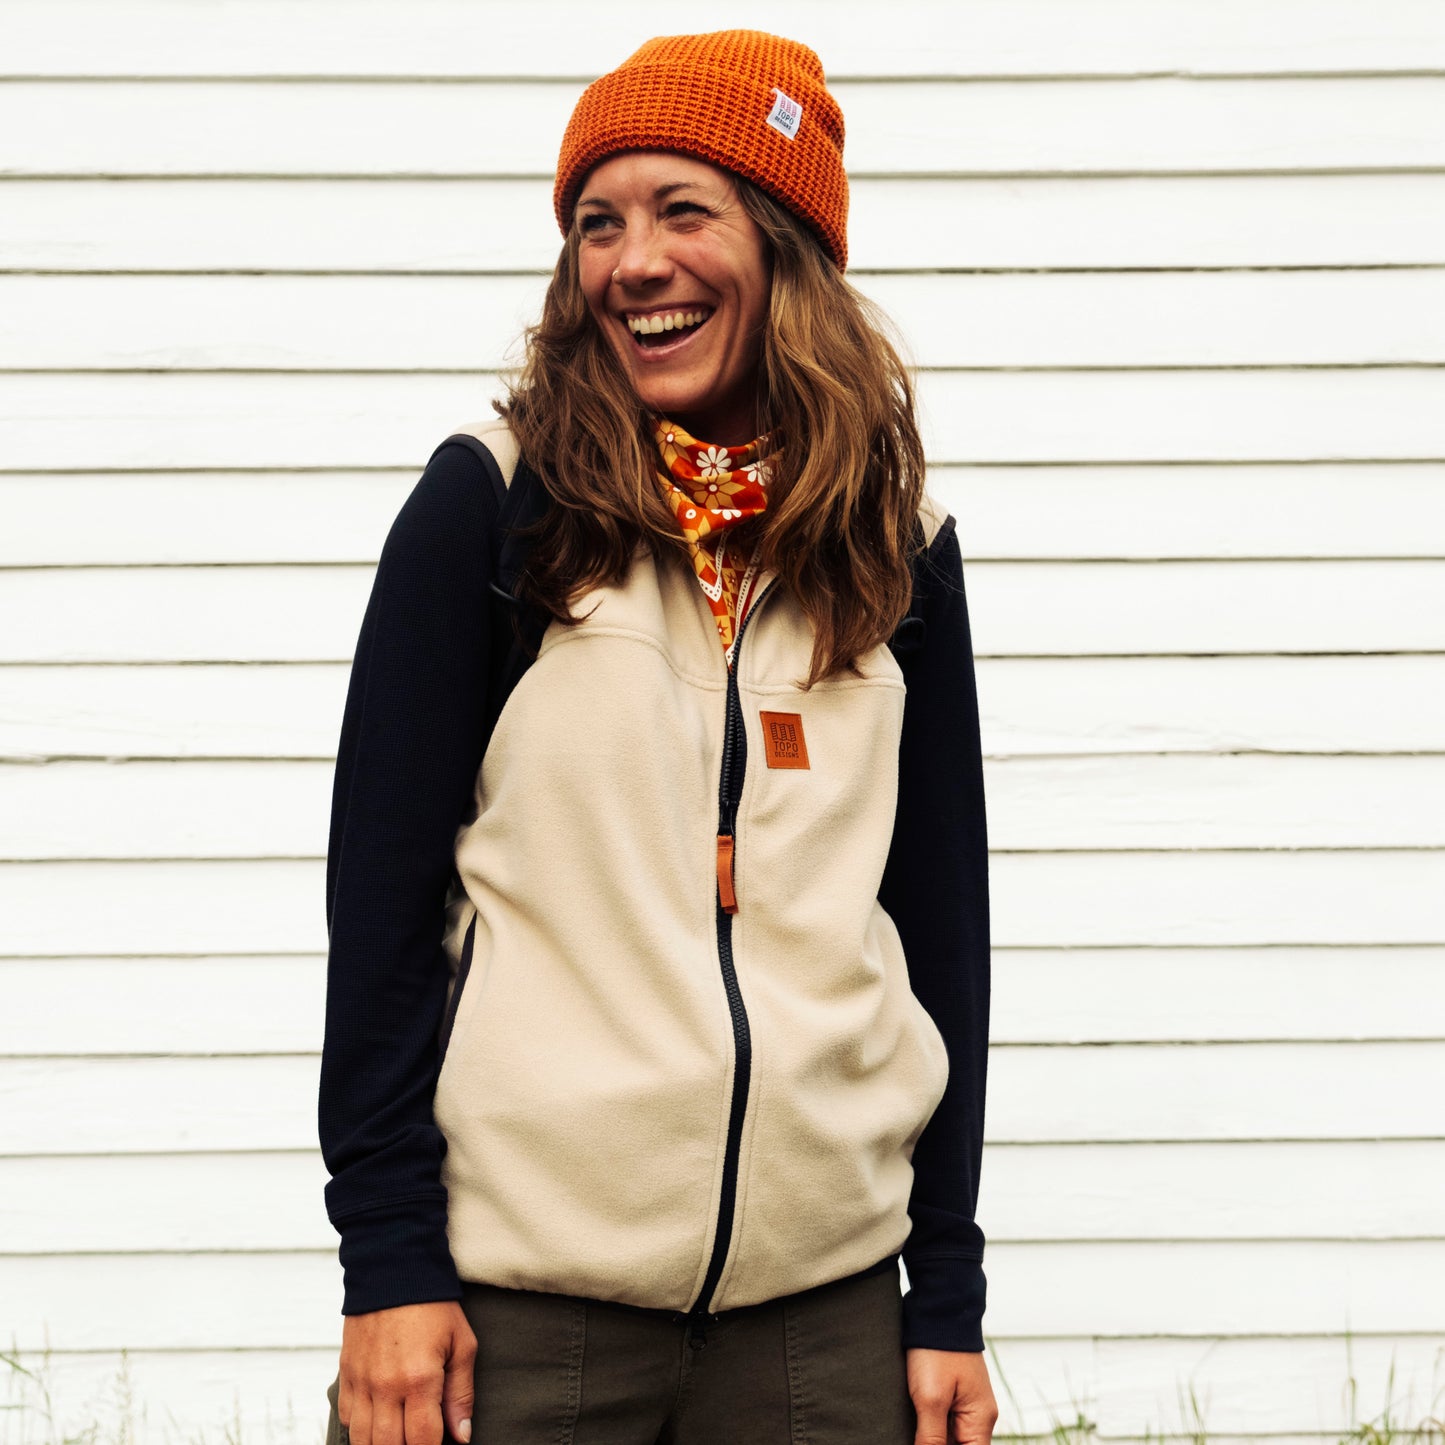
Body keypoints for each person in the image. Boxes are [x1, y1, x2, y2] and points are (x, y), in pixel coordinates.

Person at [319, 28, 995, 1445]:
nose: (632, 262)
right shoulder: (493, 511)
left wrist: (944, 1288)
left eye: (684, 211)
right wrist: (385, 1262)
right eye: (595, 223)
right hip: (522, 1312)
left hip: (822, 1323)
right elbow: (379, 915)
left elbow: (940, 933)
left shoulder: (895, 551)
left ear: (789, 248)